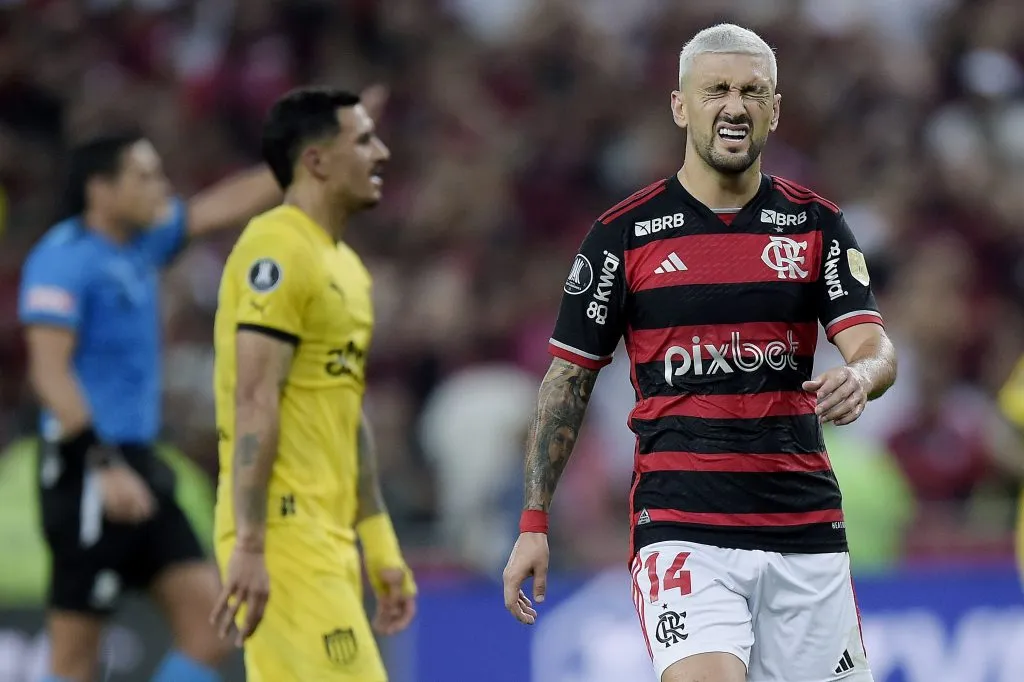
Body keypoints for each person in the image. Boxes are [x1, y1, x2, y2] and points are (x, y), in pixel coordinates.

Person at [502, 23, 896, 682]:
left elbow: (874, 346)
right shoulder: (623, 235)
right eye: (716, 90)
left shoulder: (816, 224)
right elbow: (567, 381)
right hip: (683, 525)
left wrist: (862, 374)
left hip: (804, 526)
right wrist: (534, 521)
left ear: (775, 109)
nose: (734, 106)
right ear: (680, 106)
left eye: (752, 91)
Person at [19, 132, 282, 682]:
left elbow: (219, 206)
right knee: (74, 662)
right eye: (144, 176)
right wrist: (102, 462)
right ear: (101, 189)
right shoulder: (62, 259)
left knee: (213, 629)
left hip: (140, 463)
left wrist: (301, 161)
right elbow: (49, 373)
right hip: (87, 467)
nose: (161, 187)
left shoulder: (140, 245)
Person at [208, 87, 417, 682]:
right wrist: (251, 543)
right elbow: (254, 398)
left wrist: (378, 541)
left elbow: (346, 411)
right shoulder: (276, 247)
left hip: (328, 537)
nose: (382, 152)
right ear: (316, 161)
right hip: (281, 533)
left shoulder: (347, 268)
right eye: (364, 140)